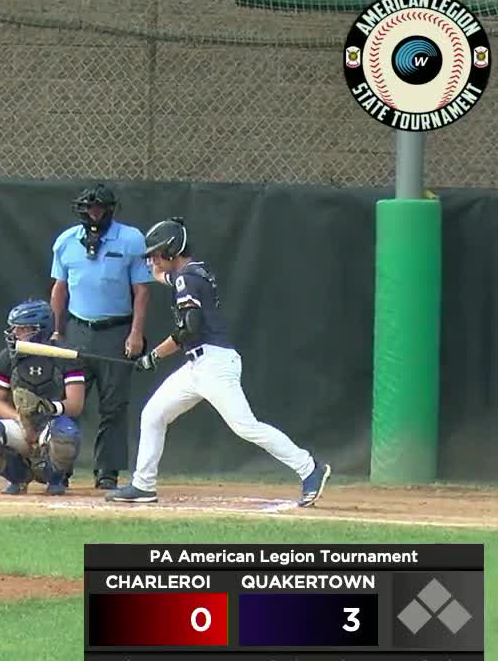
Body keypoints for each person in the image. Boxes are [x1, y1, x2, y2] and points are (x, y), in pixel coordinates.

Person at [107, 217, 331, 507]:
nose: (153, 260)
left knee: (246, 426)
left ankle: (309, 467)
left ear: (172, 251)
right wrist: (151, 271)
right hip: (197, 366)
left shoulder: (187, 278)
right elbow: (169, 279)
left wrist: (154, 356)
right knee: (153, 415)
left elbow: (190, 327)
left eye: (157, 254)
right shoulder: (191, 272)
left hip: (214, 364)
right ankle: (143, 485)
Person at [49, 183, 151, 490]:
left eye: (99, 208)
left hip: (116, 330)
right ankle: (59, 467)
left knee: (114, 404)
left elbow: (141, 291)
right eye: (89, 209)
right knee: (68, 403)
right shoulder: (66, 242)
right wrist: (57, 329)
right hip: (78, 329)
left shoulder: (131, 239)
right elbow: (59, 288)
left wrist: (136, 333)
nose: (94, 213)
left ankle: (107, 470)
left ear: (110, 209)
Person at [0, 300, 85, 495]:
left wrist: (47, 407)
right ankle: (18, 476)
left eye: (23, 329)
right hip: (20, 422)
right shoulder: (8, 357)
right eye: (14, 328)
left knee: (66, 434)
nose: (15, 334)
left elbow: (75, 404)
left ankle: (54, 477)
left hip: (51, 423)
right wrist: (20, 420)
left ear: (41, 330)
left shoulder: (63, 355)